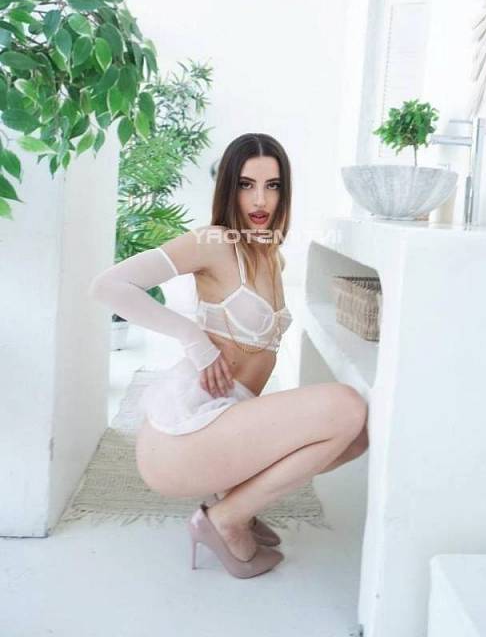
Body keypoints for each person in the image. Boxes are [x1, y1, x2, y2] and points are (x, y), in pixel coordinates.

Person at [88, 132, 369, 579]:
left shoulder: (272, 256)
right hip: (183, 436)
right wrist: (193, 340)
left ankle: (238, 504)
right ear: (228, 189)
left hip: (225, 424)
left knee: (357, 435)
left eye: (272, 185)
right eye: (246, 184)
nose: (260, 199)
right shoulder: (214, 241)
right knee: (347, 405)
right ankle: (226, 519)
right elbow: (108, 286)